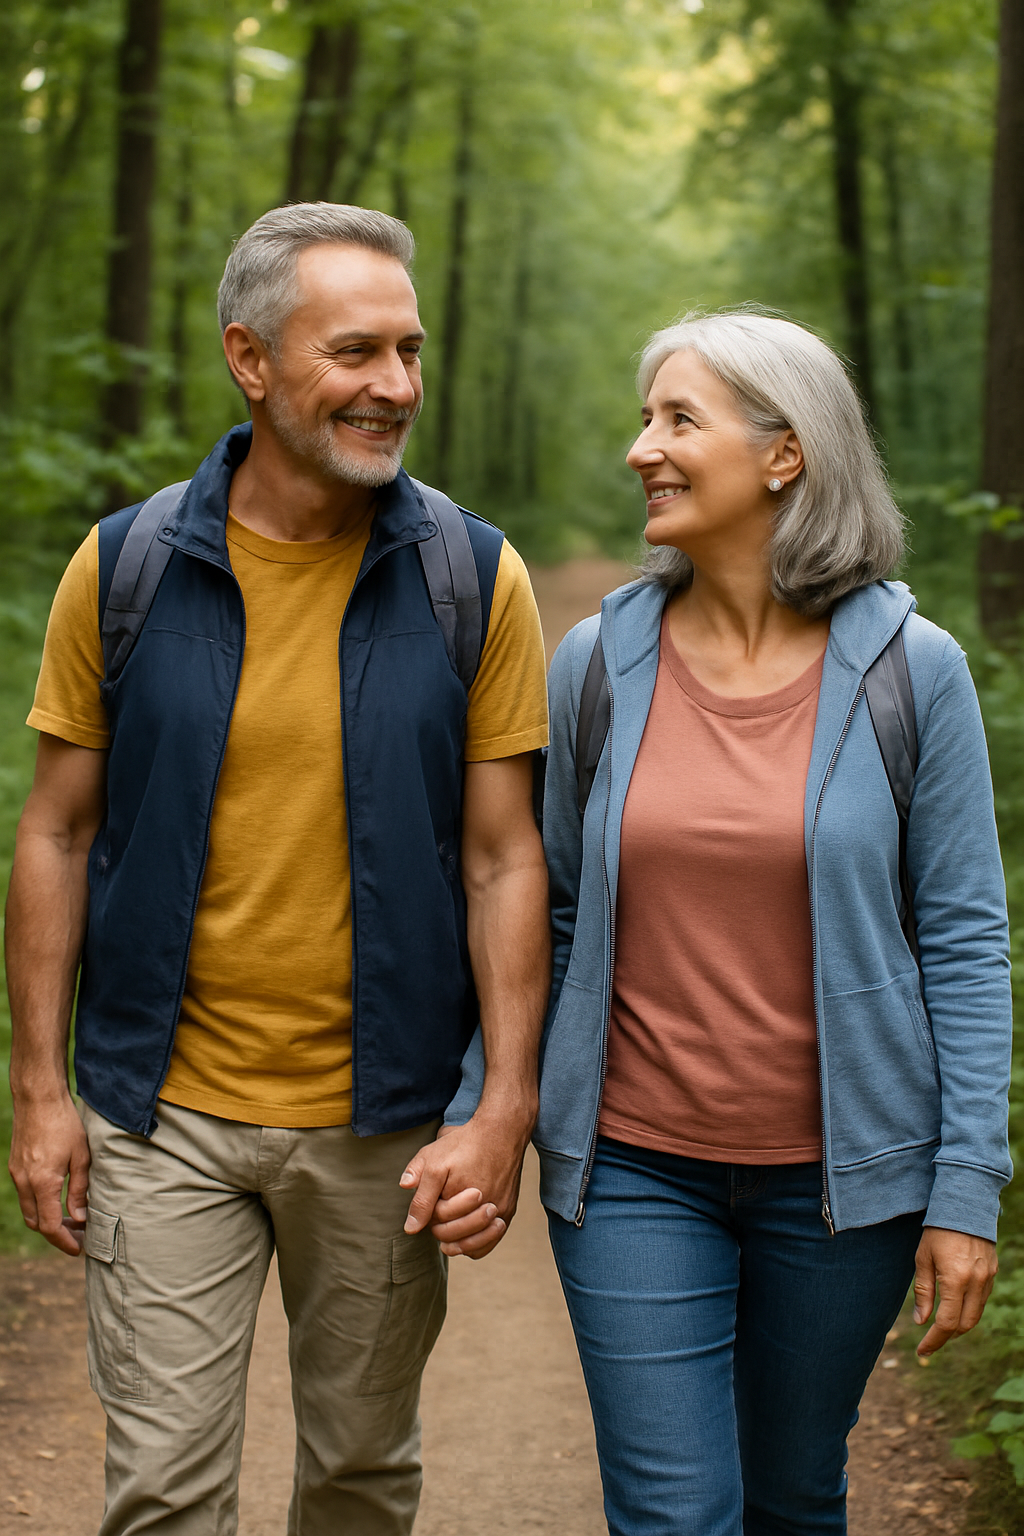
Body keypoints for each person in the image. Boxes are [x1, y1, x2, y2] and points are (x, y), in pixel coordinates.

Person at [5, 202, 550, 1536]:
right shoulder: (125, 567)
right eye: (354, 352)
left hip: (383, 1126)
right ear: (249, 359)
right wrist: (41, 1091)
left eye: (408, 351)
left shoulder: (472, 578)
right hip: (160, 1117)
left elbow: (502, 858)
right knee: (163, 1493)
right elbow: (56, 832)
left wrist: (502, 1106)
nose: (395, 386)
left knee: (360, 1478)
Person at [534, 310, 1011, 1534]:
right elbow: (553, 917)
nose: (642, 447)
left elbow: (962, 941)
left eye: (678, 419)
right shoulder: (596, 665)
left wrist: (965, 1189)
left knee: (794, 1496)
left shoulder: (910, 670)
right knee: (674, 1512)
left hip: (844, 1184)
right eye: (644, 418)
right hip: (633, 1168)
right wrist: (492, 1106)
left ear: (784, 453)